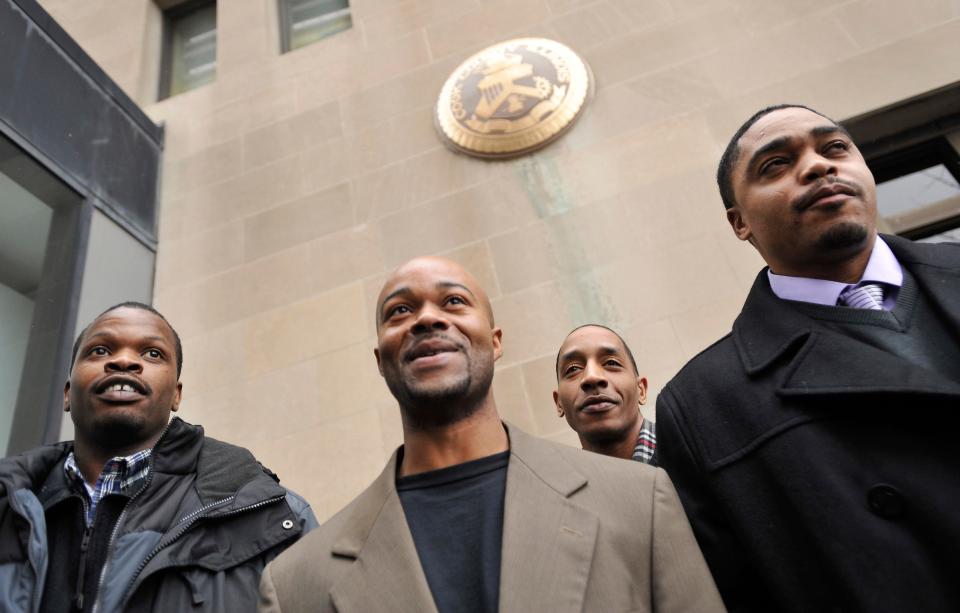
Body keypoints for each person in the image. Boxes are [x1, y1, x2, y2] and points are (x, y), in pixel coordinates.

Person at [259, 257, 724, 613]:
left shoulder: (640, 501)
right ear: (380, 360)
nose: (426, 318)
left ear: (495, 341)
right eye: (400, 310)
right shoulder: (296, 583)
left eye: (454, 301)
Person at [656, 104, 960, 613]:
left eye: (835, 147)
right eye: (775, 164)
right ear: (740, 222)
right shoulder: (702, 406)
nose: (819, 166)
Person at [0, 302, 317, 612]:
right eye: (100, 350)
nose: (123, 361)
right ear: (68, 393)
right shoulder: (8, 506)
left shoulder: (275, 517)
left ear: (176, 395)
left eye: (152, 353)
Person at [553, 324, 656, 464]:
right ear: (559, 404)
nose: (592, 377)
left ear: (641, 390)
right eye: (573, 369)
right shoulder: (560, 484)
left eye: (611, 362)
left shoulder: (692, 449)